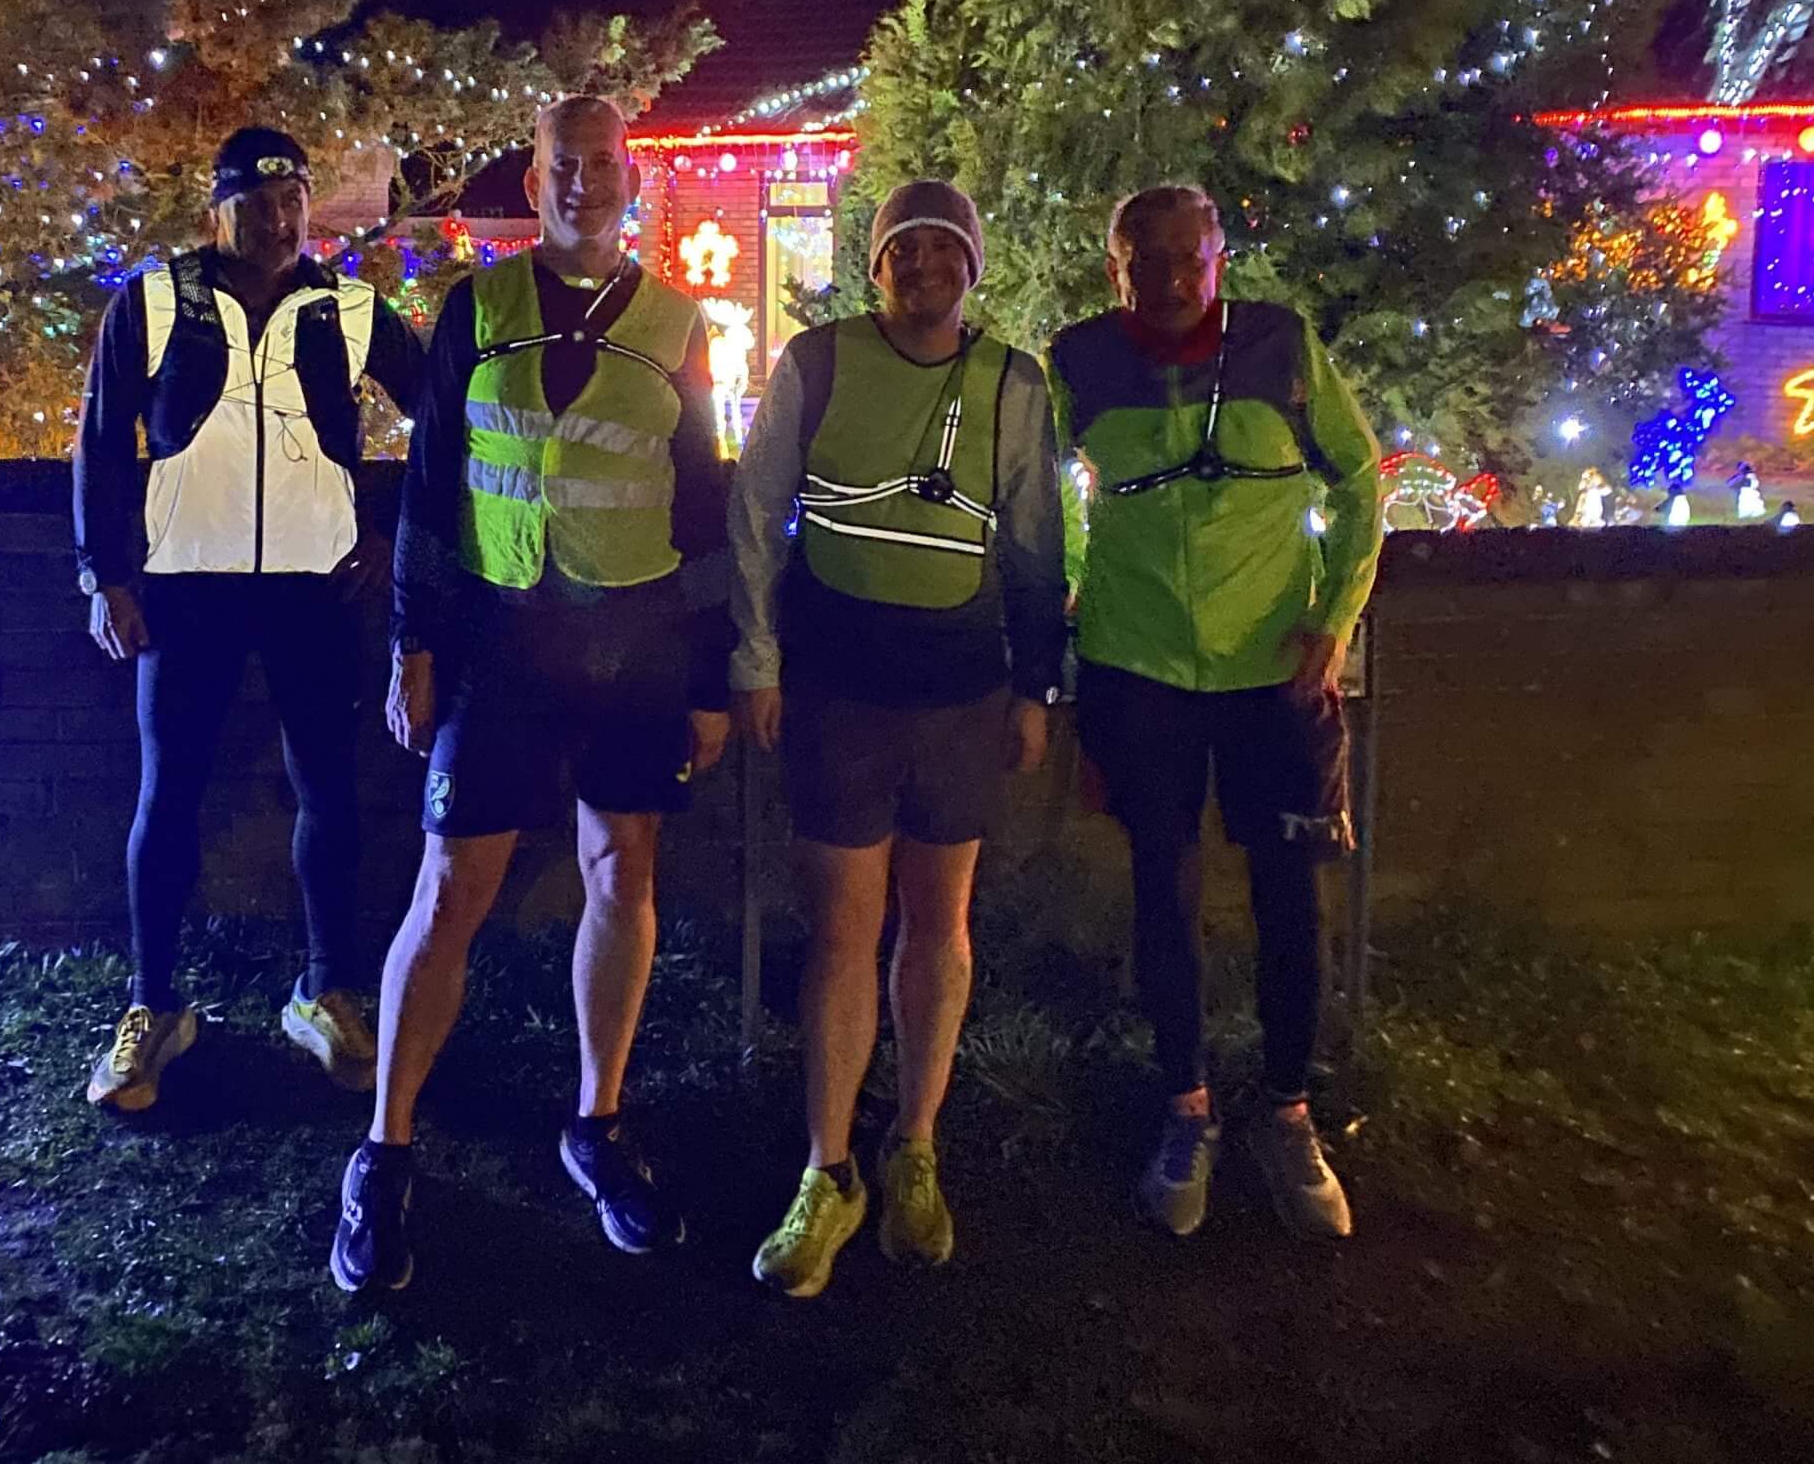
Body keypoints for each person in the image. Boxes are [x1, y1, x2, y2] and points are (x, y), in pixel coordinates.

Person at [330, 94, 732, 1293]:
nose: (584, 183)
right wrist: (412, 643)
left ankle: (595, 1123)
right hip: (501, 641)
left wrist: (709, 673)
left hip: (638, 642)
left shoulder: (675, 321)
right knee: (450, 887)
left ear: (630, 179)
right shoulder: (477, 306)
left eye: (603, 165)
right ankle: (384, 1154)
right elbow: (432, 487)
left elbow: (703, 501)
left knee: (624, 873)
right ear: (540, 174)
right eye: (564, 164)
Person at [729, 180, 1067, 1298]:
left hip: (964, 692)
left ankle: (913, 1144)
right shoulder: (817, 365)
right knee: (840, 932)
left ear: (974, 265)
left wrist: (1034, 688)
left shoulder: (1014, 386)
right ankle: (827, 1172)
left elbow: (1032, 544)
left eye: (943, 247)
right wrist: (759, 660)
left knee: (941, 924)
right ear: (873, 267)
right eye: (901, 249)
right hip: (838, 688)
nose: (922, 264)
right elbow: (753, 515)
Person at [1048, 184, 1384, 1241]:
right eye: (1140, 260)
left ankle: (1288, 1111)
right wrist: (1070, 588)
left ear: (1219, 256)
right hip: (1136, 663)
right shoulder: (1079, 356)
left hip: (1274, 669)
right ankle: (1184, 1108)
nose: (1166, 277)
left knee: (1290, 892)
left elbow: (1364, 475)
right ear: (1114, 269)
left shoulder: (1281, 342)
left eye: (1185, 256)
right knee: (1164, 888)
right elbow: (1043, 487)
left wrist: (1332, 616)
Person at [72, 126, 425, 1113]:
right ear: (214, 210)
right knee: (167, 795)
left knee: (330, 792)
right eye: (254, 202)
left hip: (315, 588)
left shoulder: (345, 307)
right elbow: (101, 443)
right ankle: (152, 1009)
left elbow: (442, 413)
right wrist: (105, 576)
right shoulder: (151, 303)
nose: (275, 220)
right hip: (187, 589)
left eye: (292, 200)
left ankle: (326, 990)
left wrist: (387, 530)